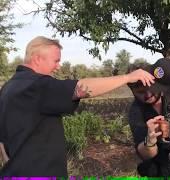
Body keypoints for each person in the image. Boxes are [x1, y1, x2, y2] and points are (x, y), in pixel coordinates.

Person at [0, 36, 155, 176]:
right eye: (56, 61)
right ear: (37, 59)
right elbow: (81, 87)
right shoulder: (37, 85)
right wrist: (128, 77)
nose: (58, 66)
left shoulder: (8, 88)